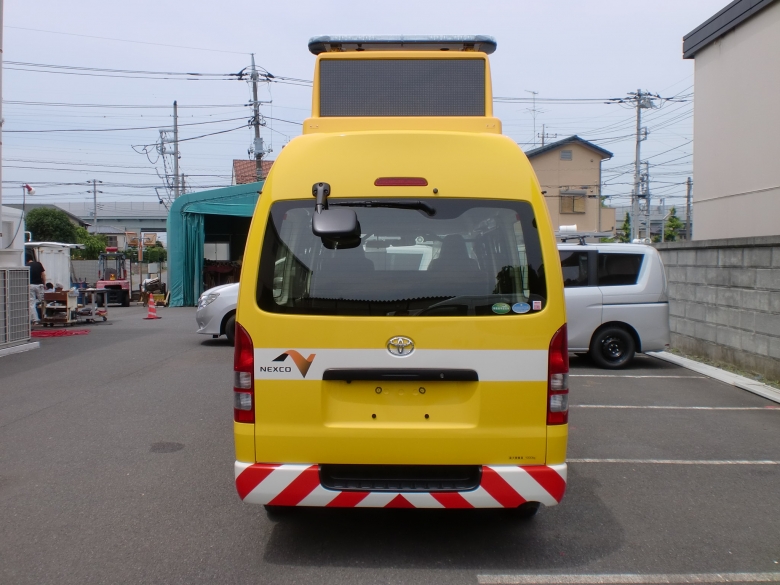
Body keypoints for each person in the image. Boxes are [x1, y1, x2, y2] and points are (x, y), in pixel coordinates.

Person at [27, 255, 46, 324]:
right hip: (39, 285)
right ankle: (46, 317)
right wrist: (44, 284)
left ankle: (35, 320)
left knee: (32, 303)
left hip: (31, 285)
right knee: (43, 301)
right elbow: (43, 275)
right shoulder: (38, 264)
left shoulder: (26, 265)